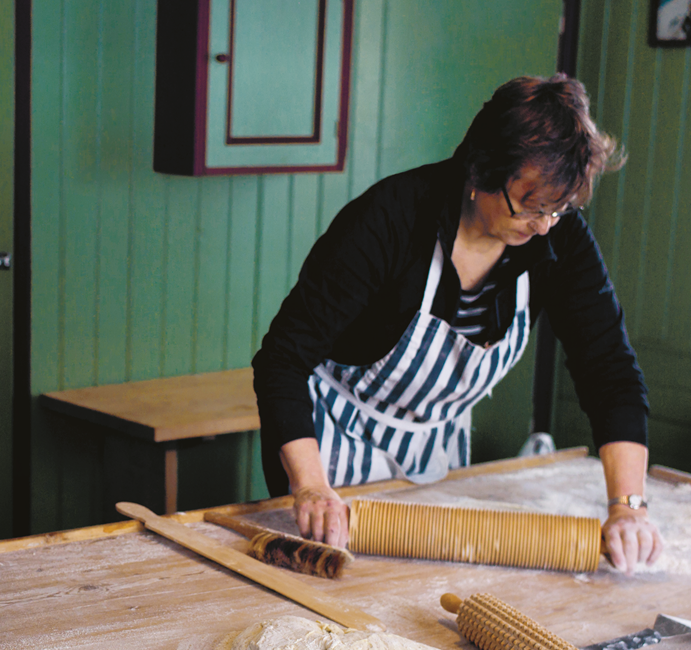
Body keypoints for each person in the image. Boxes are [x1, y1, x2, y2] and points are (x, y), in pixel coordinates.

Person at [252, 75, 661, 575]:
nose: (543, 225)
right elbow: (282, 359)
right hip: (335, 443)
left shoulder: (559, 239)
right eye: (529, 206)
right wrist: (311, 486)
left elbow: (610, 372)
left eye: (558, 208)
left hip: (438, 450)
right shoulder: (391, 218)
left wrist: (627, 507)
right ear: (482, 169)